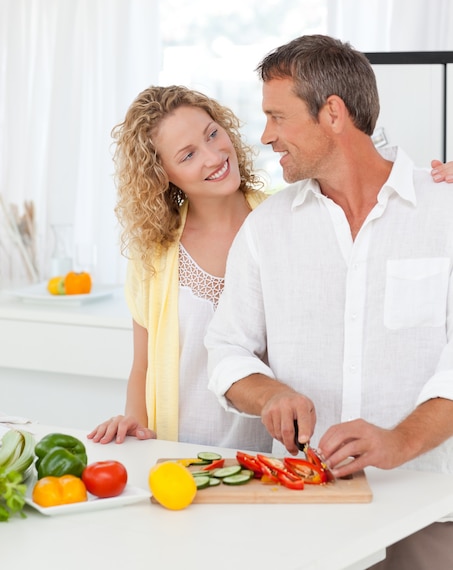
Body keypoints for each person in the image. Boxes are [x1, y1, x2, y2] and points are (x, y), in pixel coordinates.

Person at [205, 35, 453, 569]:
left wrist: (399, 443)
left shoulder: (446, 211)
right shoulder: (266, 229)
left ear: (333, 114)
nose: (266, 136)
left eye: (277, 116)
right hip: (302, 510)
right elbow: (226, 349)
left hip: (431, 512)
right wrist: (269, 395)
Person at [88, 85, 272, 452]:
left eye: (212, 134)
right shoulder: (152, 254)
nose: (213, 156)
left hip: (272, 460)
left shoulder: (283, 223)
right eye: (188, 155)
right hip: (180, 459)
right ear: (162, 175)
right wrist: (135, 430)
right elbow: (142, 367)